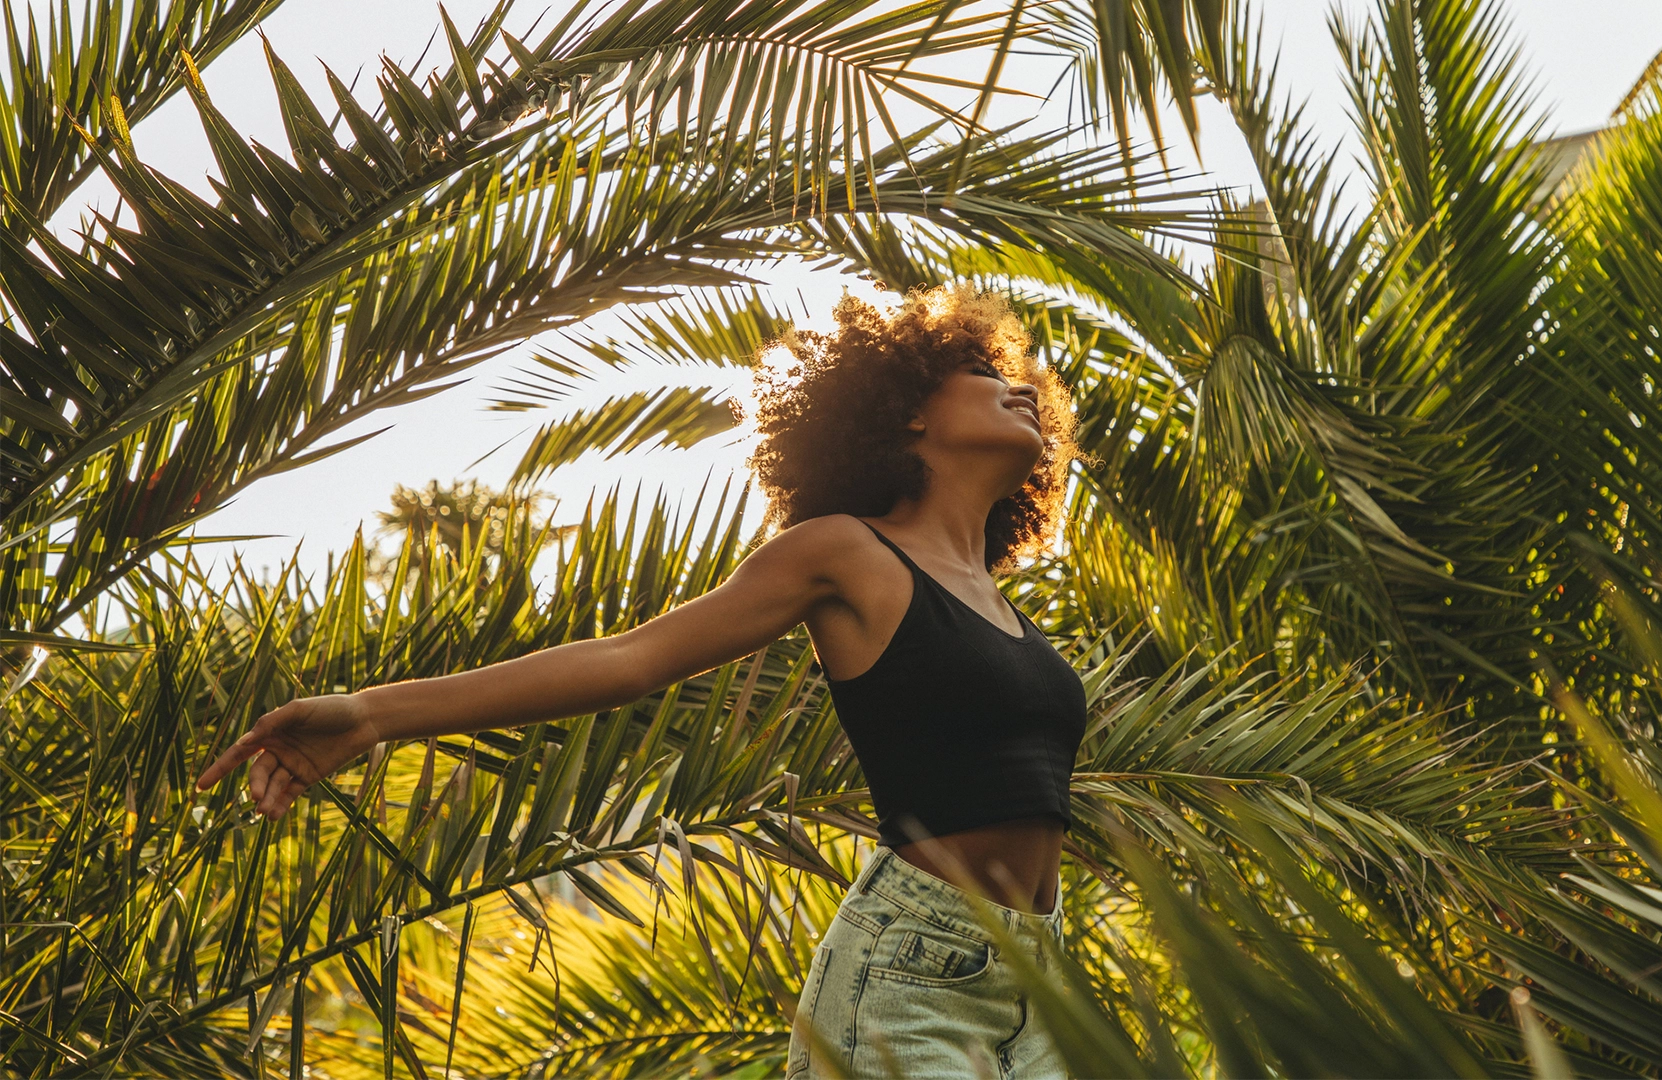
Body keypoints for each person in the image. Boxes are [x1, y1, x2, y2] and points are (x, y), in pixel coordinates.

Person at [196, 283, 1090, 1079]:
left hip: (1041, 975)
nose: (1020, 387)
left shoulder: (1007, 612)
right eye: (979, 371)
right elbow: (631, 659)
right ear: (907, 414)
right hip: (914, 970)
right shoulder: (847, 552)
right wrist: (373, 712)